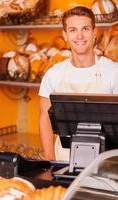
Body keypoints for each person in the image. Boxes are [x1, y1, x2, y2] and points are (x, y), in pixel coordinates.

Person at [38, 6, 118, 161]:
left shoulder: (113, 72)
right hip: (64, 161)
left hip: (104, 163)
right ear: (65, 35)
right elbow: (45, 118)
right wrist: (50, 160)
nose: (79, 36)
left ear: (95, 33)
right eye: (73, 30)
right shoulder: (53, 74)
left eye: (85, 29)